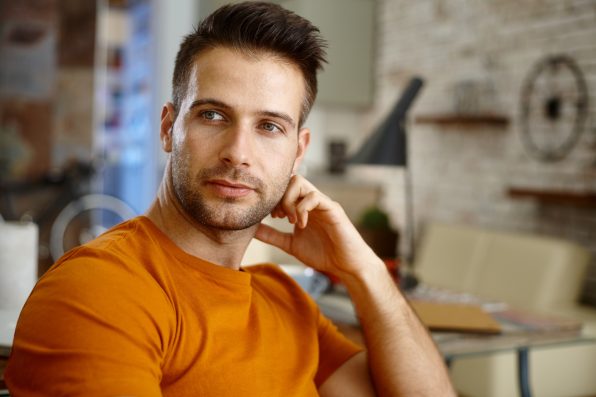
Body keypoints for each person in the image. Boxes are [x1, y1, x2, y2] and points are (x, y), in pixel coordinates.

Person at [5, 2, 455, 396]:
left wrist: (365, 273)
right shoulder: (100, 290)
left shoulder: (286, 299)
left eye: (269, 127)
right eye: (214, 115)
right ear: (168, 128)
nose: (238, 153)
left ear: (298, 152)